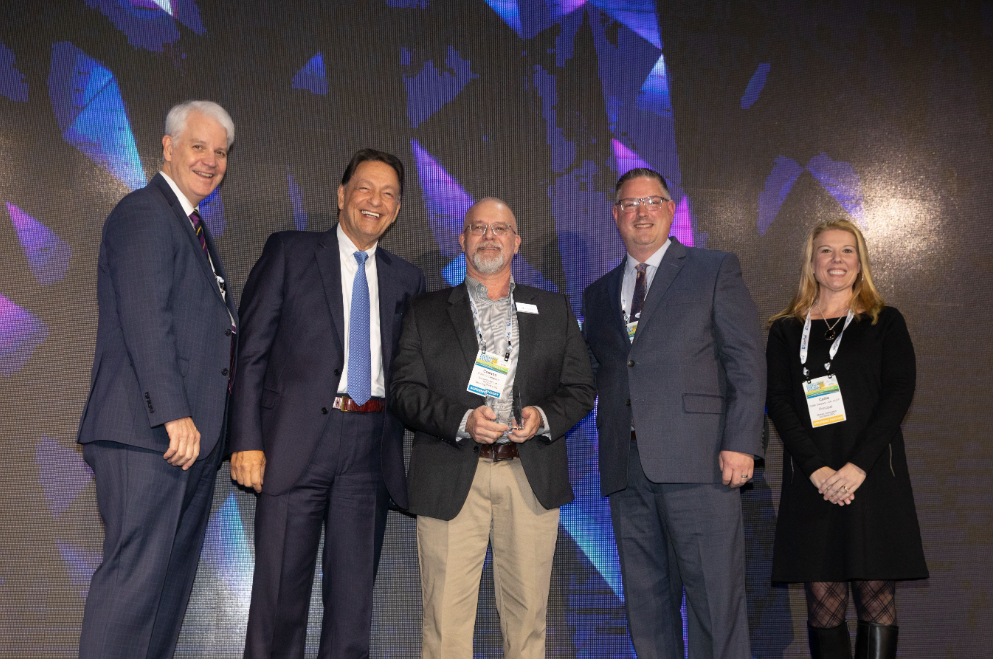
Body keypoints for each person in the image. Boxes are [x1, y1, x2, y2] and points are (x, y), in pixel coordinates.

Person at [228, 148, 425, 658]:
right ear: (341, 196)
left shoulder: (408, 279)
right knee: (278, 602)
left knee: (352, 607)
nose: (375, 201)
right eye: (365, 188)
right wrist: (245, 440)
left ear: (398, 210)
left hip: (369, 449)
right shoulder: (290, 252)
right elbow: (250, 353)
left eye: (388, 194)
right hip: (295, 444)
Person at [390, 198, 595, 659]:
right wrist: (461, 421)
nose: (489, 236)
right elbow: (404, 390)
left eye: (500, 228)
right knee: (445, 627)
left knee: (527, 626)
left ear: (516, 242)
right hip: (450, 472)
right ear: (462, 239)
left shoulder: (554, 308)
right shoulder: (425, 311)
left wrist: (542, 418)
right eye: (478, 227)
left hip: (529, 475)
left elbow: (581, 387)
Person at [75, 100, 238, 659]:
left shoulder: (190, 228)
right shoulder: (145, 212)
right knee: (132, 592)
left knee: (162, 598)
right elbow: (147, 317)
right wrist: (173, 412)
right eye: (199, 146)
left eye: (220, 152)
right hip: (150, 435)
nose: (211, 160)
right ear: (167, 147)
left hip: (184, 446)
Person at [581, 168, 765, 658]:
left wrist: (742, 441)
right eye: (630, 204)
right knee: (646, 607)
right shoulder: (597, 294)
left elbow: (746, 362)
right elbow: (596, 374)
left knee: (714, 603)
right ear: (616, 214)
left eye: (653, 201)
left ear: (671, 209)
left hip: (702, 463)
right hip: (627, 468)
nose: (642, 212)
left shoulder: (714, 268)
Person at [766, 219, 927, 659]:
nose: (836, 260)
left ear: (860, 263)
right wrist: (818, 470)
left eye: (847, 251)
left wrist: (857, 467)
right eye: (826, 251)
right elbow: (777, 401)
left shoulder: (885, 321)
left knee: (877, 599)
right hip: (813, 481)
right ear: (812, 263)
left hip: (872, 478)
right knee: (823, 606)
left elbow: (898, 395)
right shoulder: (784, 329)